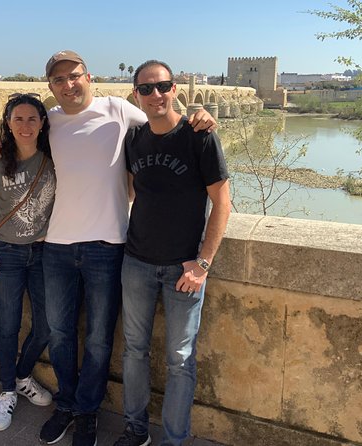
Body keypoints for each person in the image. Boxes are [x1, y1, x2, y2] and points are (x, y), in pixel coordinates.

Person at [34, 50, 218, 446]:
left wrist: (199, 115)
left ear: (89, 77)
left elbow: (166, 123)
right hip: (58, 246)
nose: (68, 85)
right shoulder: (46, 122)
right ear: (50, 86)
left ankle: (88, 413)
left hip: (108, 245)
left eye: (74, 76)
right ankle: (67, 405)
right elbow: (12, 144)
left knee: (101, 339)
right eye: (59, 80)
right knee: (60, 334)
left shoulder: (119, 110)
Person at [113, 60, 231, 446]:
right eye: (146, 89)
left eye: (162, 86)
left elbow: (222, 204)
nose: (155, 95)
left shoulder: (199, 136)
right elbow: (131, 192)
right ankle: (136, 429)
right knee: (134, 351)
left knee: (180, 360)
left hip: (184, 267)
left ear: (175, 88)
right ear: (136, 96)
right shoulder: (134, 139)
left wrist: (202, 264)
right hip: (137, 262)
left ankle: (175, 439)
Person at [0, 93, 56, 432]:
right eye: (18, 119)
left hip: (44, 253)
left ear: (42, 123)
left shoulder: (55, 156)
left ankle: (22, 374)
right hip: (5, 251)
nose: (25, 125)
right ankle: (7, 390)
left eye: (32, 119)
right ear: (7, 123)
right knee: (7, 325)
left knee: (48, 324)